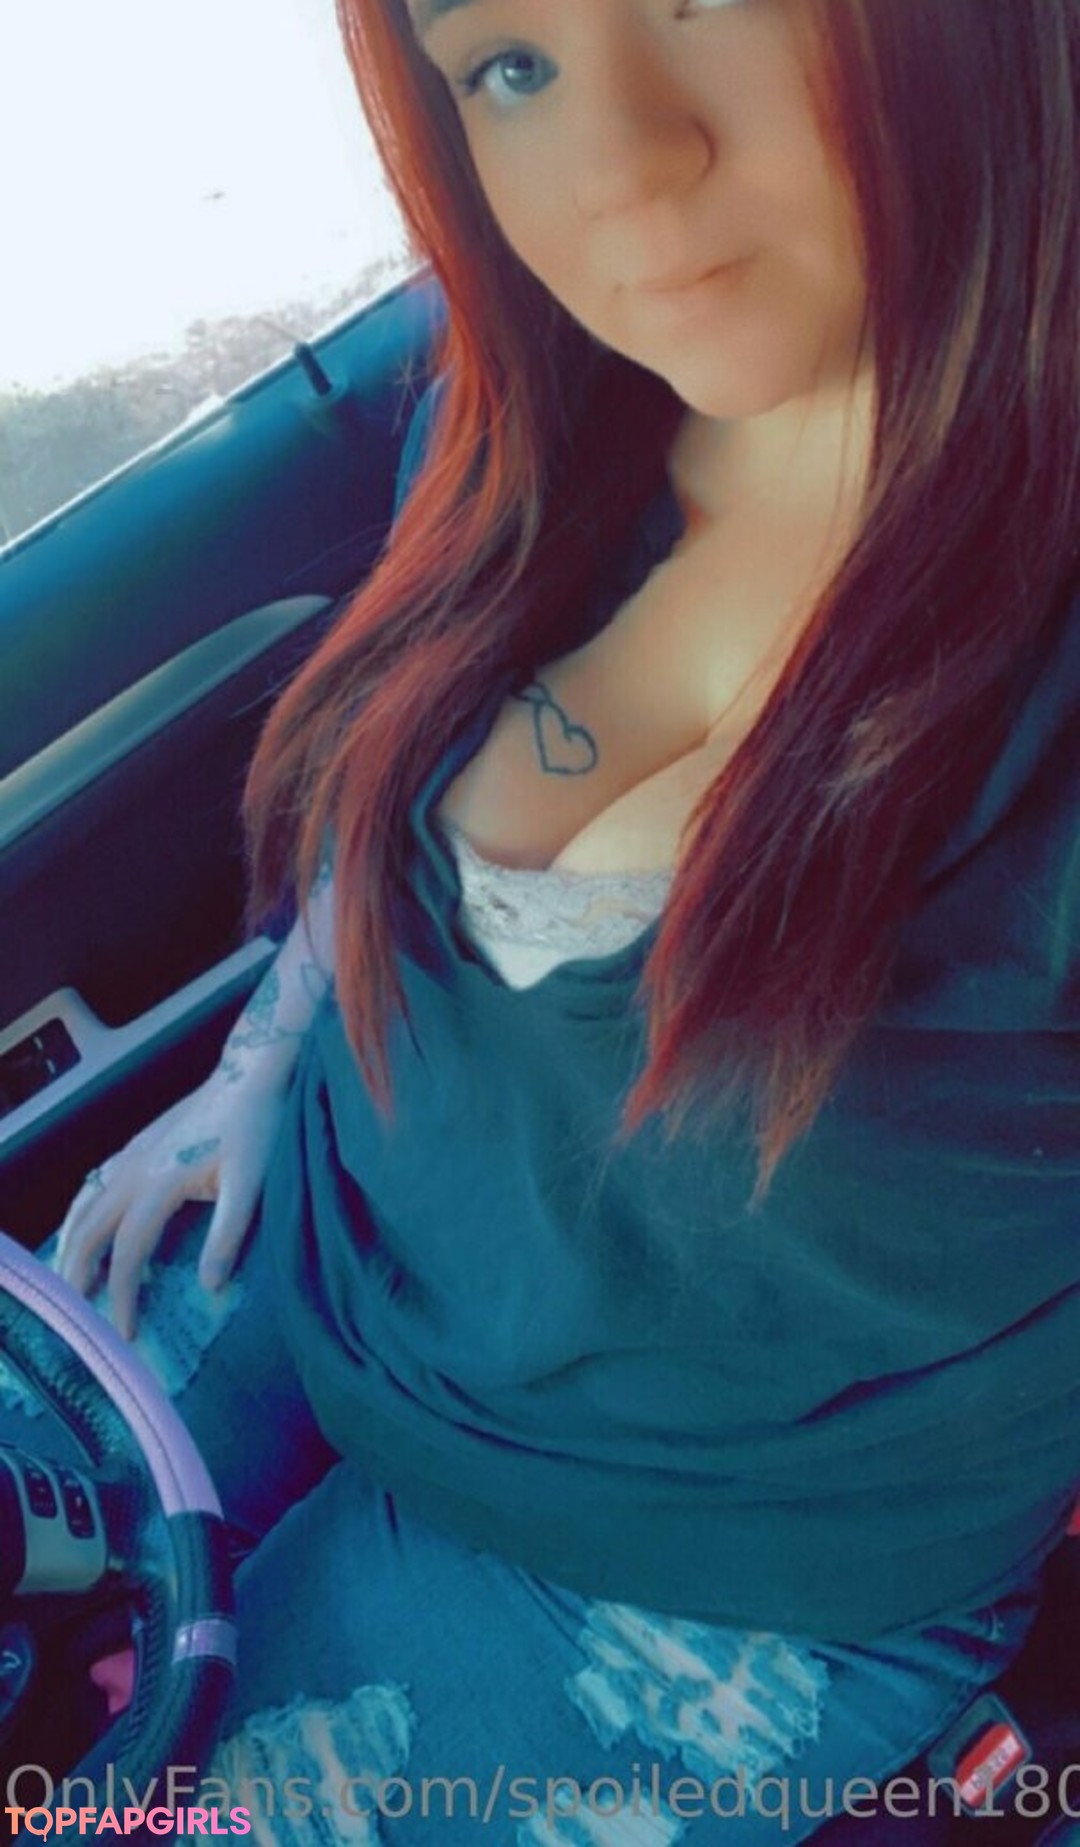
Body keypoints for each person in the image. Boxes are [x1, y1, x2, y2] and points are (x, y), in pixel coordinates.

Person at [33, 0, 1080, 1839]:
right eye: (510, 62)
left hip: (705, 1562)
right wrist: (263, 1062)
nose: (620, 168)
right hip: (335, 1240)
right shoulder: (541, 391)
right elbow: (407, 782)